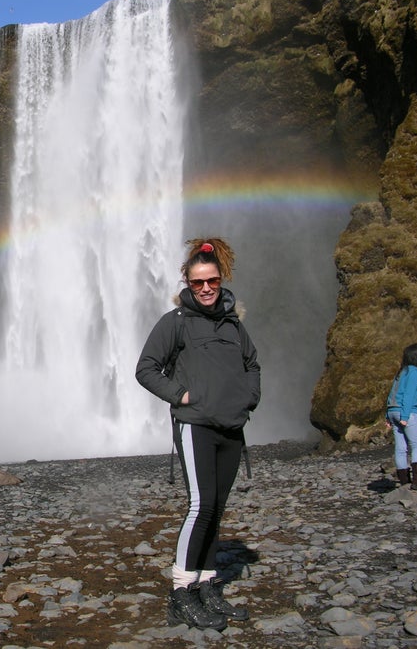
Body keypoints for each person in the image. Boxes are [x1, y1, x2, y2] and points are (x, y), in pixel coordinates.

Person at [135, 237, 261, 631]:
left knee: (216, 509)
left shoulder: (233, 324)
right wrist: (181, 395)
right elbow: (146, 368)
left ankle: (207, 587)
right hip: (195, 425)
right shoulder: (175, 322)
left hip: (231, 427)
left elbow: (252, 364)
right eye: (197, 283)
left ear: (221, 280)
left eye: (211, 281)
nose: (205, 288)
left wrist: (247, 399)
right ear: (186, 285)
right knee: (200, 506)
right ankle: (180, 594)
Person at [385, 343, 417, 488]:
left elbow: (392, 393)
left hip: (393, 410)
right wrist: (405, 416)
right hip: (407, 411)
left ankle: (404, 481)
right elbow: (409, 395)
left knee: (400, 447)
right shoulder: (415, 372)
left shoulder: (401, 372)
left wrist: (388, 416)